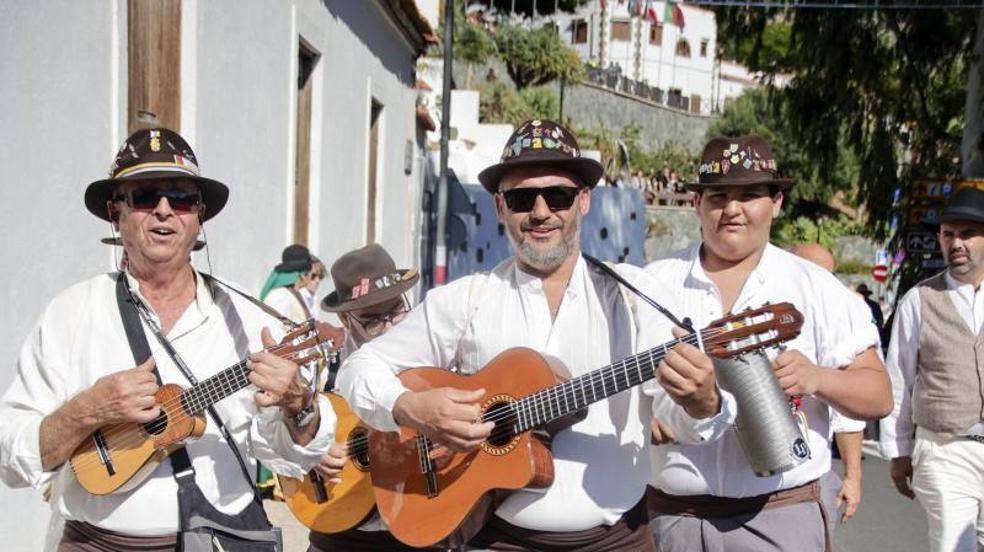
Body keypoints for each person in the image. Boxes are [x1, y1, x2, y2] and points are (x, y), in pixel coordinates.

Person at [337, 119, 732, 550]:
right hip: (496, 538)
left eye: (558, 195)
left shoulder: (635, 298)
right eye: (522, 198)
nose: (541, 212)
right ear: (499, 207)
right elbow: (359, 366)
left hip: (616, 540)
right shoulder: (466, 301)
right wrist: (409, 406)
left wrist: (703, 403)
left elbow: (681, 418)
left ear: (583, 201)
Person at [0, 128, 334, 550]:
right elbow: (11, 457)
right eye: (144, 196)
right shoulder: (70, 313)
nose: (163, 210)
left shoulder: (247, 319)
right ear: (116, 213)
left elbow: (292, 458)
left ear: (199, 216)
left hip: (217, 542)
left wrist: (299, 406)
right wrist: (86, 411)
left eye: (180, 197)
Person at [644, 135, 892, 552]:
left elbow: (880, 394)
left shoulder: (815, 286)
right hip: (672, 519)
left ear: (776, 202)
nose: (732, 209)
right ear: (697, 203)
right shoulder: (652, 283)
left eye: (749, 195)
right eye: (718, 196)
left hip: (779, 518)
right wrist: (639, 415)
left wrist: (818, 379)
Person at [881, 186, 984, 552]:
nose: (956, 243)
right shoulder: (919, 300)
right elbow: (899, 378)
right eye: (948, 234)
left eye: (967, 234)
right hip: (944, 449)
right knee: (954, 545)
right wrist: (898, 450)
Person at [307, 243, 419, 552]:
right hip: (338, 529)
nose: (389, 328)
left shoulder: (433, 351)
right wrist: (307, 450)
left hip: (418, 523)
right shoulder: (321, 366)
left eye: (396, 311)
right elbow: (276, 432)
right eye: (372, 320)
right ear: (345, 319)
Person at [789, 243, 870, 527]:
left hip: (808, 478)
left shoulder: (842, 310)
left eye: (828, 274)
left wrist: (852, 476)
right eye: (811, 271)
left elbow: (848, 409)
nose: (820, 281)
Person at [261, 244, 319, 323]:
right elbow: (273, 328)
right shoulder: (280, 296)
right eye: (313, 275)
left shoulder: (294, 294)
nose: (316, 280)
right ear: (303, 274)